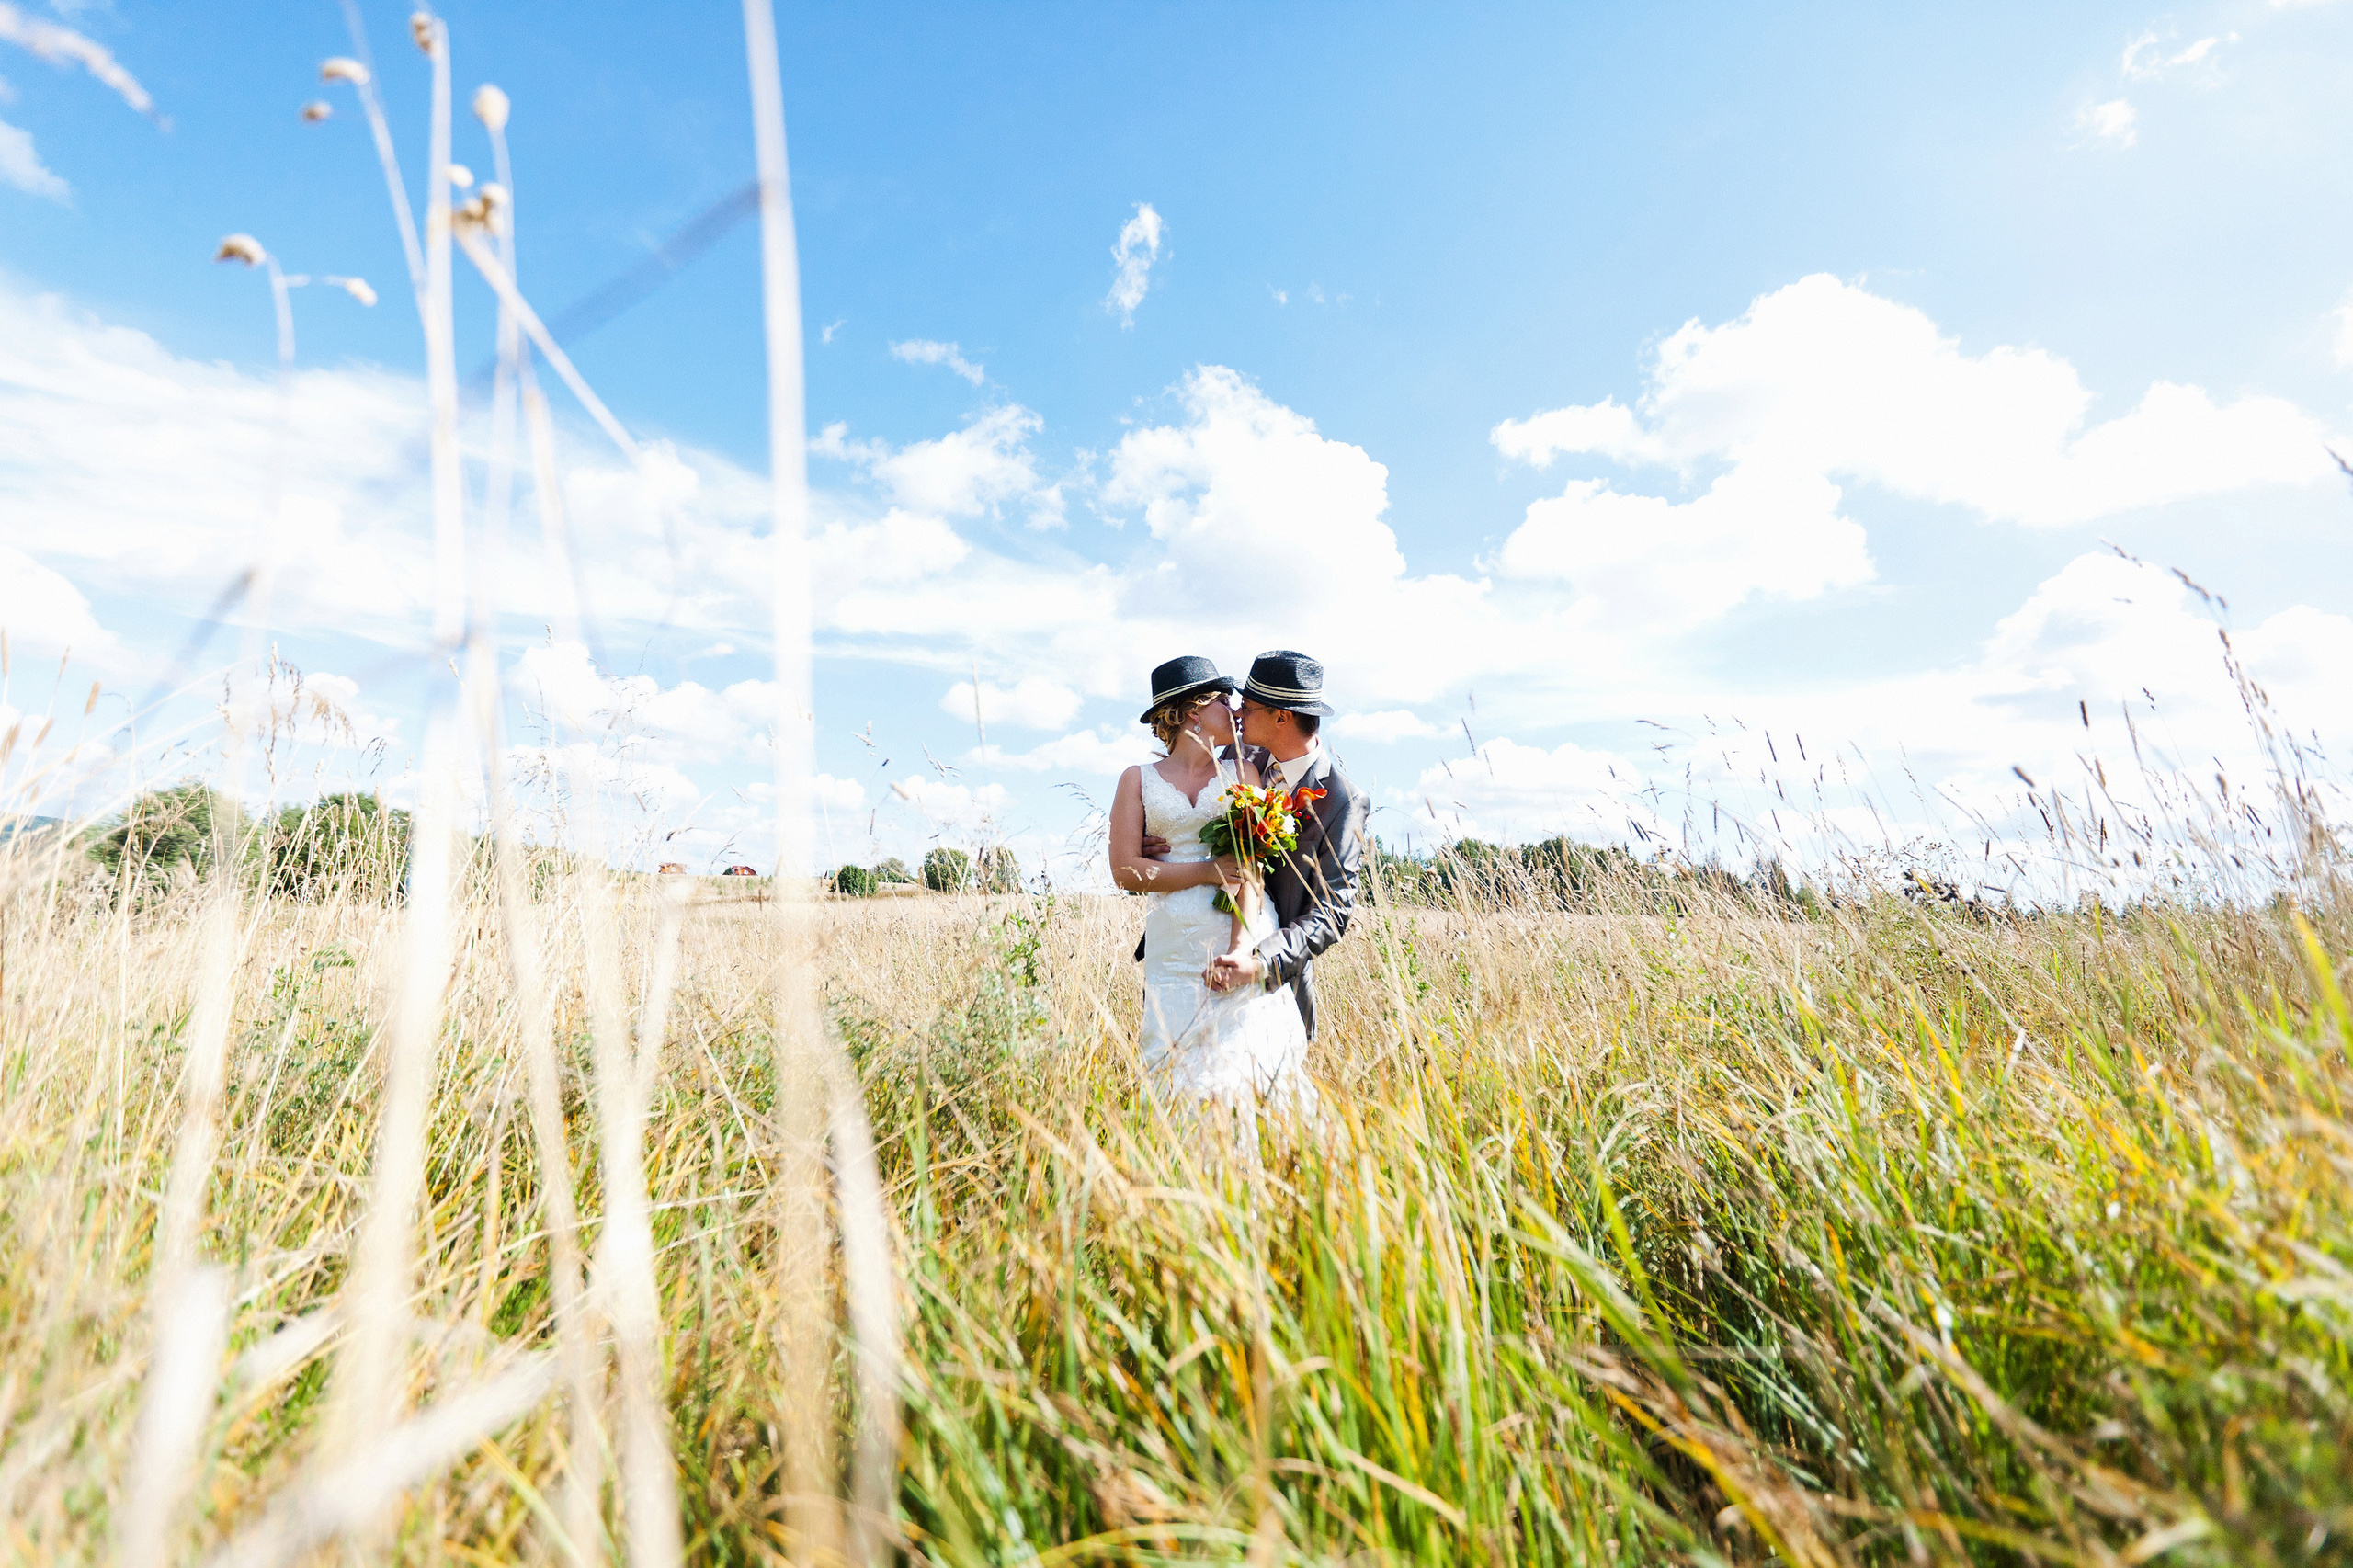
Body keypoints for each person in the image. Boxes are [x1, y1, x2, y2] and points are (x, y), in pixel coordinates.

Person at [1108, 656, 1313, 1110]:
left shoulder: (1243, 775)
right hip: (1173, 951)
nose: (1236, 709)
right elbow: (1124, 870)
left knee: (1247, 1067)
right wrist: (1204, 872)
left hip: (1235, 936)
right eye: (1225, 699)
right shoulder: (1137, 780)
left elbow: (1252, 869)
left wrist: (1241, 948)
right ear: (1195, 709)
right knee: (1175, 1073)